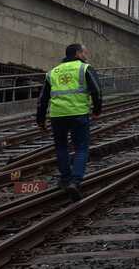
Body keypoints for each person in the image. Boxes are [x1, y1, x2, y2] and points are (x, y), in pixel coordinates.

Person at [36, 43, 102, 202]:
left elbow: (42, 99)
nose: (86, 55)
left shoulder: (53, 72)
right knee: (81, 148)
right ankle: (75, 181)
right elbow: (97, 91)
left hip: (57, 115)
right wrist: (97, 110)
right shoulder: (84, 68)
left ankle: (65, 178)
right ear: (78, 53)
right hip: (78, 113)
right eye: (84, 52)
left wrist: (40, 119)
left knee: (61, 147)